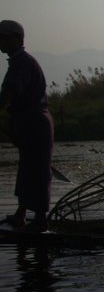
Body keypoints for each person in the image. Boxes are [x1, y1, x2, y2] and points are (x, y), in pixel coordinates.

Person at [0, 20, 54, 232]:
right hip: (29, 122)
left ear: (17, 38)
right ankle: (21, 214)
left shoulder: (21, 62)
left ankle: (40, 219)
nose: (1, 41)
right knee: (27, 167)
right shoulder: (18, 61)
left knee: (38, 168)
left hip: (36, 123)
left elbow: (9, 93)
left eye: (4, 37)